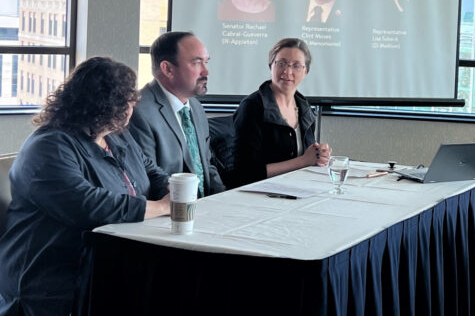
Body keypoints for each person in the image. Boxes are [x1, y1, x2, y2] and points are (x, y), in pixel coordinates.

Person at [0, 57, 171, 316]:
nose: (132, 109)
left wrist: (172, 189)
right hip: (52, 280)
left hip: (109, 264)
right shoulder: (48, 147)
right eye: (125, 102)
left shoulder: (115, 136)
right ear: (101, 105)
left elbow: (152, 172)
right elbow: (88, 206)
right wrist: (163, 207)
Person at [212, 38, 331, 188]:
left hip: (297, 189)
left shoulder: (304, 107)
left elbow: (309, 158)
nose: (287, 72)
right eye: (281, 63)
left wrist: (319, 155)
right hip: (261, 194)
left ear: (306, 71)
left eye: (296, 66)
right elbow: (245, 173)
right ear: (271, 66)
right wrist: (303, 161)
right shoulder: (252, 107)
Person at [129, 31, 225, 197]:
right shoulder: (139, 112)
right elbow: (148, 180)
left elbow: (206, 166)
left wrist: (224, 199)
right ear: (168, 69)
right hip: (170, 211)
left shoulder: (195, 107)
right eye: (196, 63)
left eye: (206, 62)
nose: (206, 72)